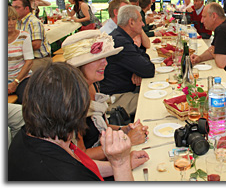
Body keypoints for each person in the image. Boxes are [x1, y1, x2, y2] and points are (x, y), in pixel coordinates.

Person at [8, 62, 140, 181]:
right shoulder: (70, 176)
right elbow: (75, 169)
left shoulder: (29, 134)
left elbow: (80, 162)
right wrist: (121, 165)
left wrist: (118, 164)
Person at [62, 30, 149, 163]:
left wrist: (123, 129)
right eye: (98, 59)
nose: (105, 63)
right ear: (79, 65)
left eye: (106, 58)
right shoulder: (71, 99)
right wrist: (127, 140)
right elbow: (80, 155)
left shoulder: (92, 85)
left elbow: (102, 126)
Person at [100, 5, 155, 115]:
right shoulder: (120, 42)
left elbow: (143, 55)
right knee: (154, 103)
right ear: (131, 22)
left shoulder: (119, 36)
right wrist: (139, 68)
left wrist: (136, 69)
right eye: (140, 21)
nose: (143, 24)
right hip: (116, 97)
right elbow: (149, 69)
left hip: (123, 90)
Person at [12, 0, 51, 72]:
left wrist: (16, 48)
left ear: (26, 9)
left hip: (39, 59)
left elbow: (36, 45)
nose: (14, 10)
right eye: (12, 7)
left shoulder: (33, 22)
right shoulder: (16, 22)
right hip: (24, 58)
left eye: (17, 7)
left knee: (18, 73)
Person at [8, 6, 34, 104]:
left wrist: (15, 82)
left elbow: (29, 62)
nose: (11, 23)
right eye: (7, 20)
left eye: (13, 19)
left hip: (21, 78)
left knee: (25, 99)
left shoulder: (24, 36)